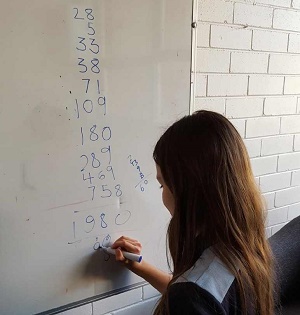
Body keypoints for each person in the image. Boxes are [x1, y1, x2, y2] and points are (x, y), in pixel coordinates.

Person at [112, 110, 274, 314]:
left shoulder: (191, 295)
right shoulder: (243, 247)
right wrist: (140, 266)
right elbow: (200, 295)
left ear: (188, 192)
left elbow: (192, 298)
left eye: (162, 185)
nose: (163, 196)